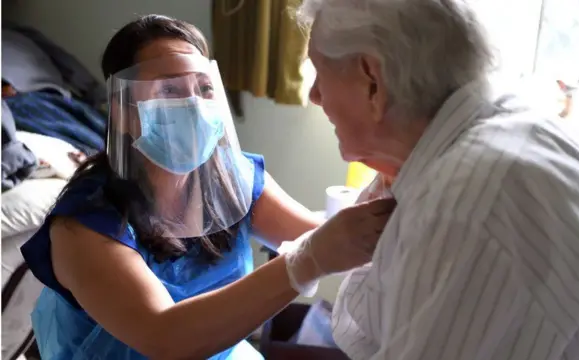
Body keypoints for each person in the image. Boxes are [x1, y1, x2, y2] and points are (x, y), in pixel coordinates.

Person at [20, 14, 396, 360]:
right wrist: (308, 260)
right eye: (168, 91)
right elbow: (164, 336)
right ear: (124, 112)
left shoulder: (235, 178)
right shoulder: (84, 224)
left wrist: (387, 174)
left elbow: (325, 238)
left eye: (203, 88)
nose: (193, 105)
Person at [297, 0, 579, 359]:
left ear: (372, 82)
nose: (315, 95)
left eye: (320, 73)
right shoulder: (501, 125)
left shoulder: (465, 207)